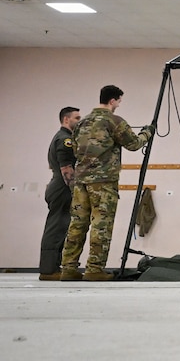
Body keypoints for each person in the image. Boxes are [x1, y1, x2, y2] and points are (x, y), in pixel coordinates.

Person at [60, 85, 154, 281]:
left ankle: (68, 268)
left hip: (81, 181)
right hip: (103, 182)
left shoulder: (82, 122)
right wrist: (148, 132)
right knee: (101, 225)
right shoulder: (115, 121)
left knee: (77, 224)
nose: (119, 105)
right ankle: (95, 268)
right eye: (119, 101)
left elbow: (76, 150)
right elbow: (134, 145)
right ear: (113, 100)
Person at [38, 106, 80, 280]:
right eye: (76, 118)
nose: (79, 121)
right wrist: (75, 191)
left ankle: (53, 267)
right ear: (66, 120)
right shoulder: (65, 139)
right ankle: (48, 270)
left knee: (61, 227)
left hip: (58, 185)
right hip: (63, 186)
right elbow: (66, 169)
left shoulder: (61, 137)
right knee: (56, 228)